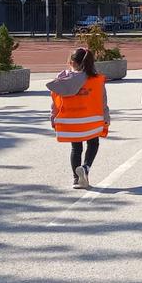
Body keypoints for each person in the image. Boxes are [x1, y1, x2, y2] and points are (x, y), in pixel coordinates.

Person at [48, 48, 109, 189]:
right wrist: (106, 118)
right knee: (93, 144)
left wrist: (53, 117)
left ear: (71, 62)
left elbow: (55, 101)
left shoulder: (63, 80)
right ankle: (85, 168)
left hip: (70, 121)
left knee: (76, 148)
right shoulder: (96, 80)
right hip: (91, 120)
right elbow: (102, 101)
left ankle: (76, 179)